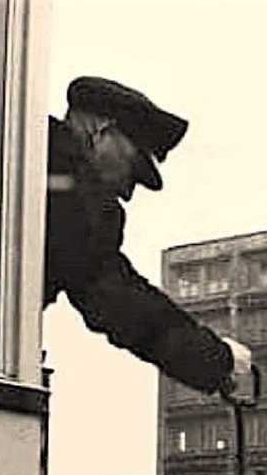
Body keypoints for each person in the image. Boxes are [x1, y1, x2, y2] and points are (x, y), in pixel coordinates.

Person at [44, 76, 252, 399]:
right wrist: (215, 359)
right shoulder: (73, 192)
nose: (127, 192)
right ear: (102, 131)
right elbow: (117, 299)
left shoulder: (23, 150)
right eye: (133, 166)